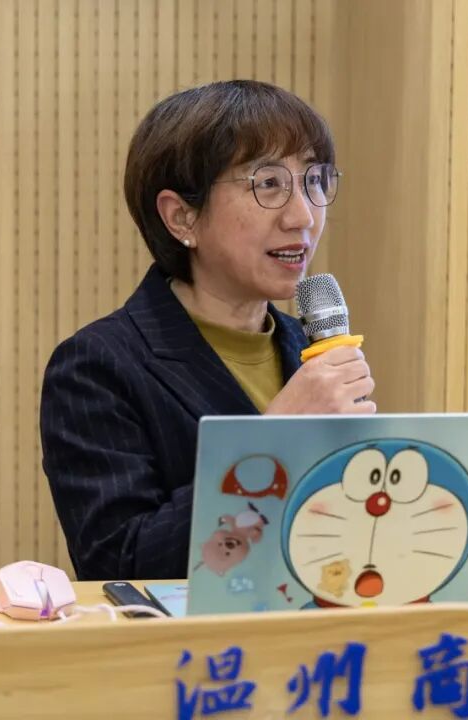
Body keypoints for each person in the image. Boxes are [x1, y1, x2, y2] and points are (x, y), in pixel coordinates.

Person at [39, 80, 375, 580]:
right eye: (268, 184)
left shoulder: (311, 348)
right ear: (182, 217)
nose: (303, 216)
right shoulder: (97, 367)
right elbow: (120, 564)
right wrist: (275, 439)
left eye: (315, 180)